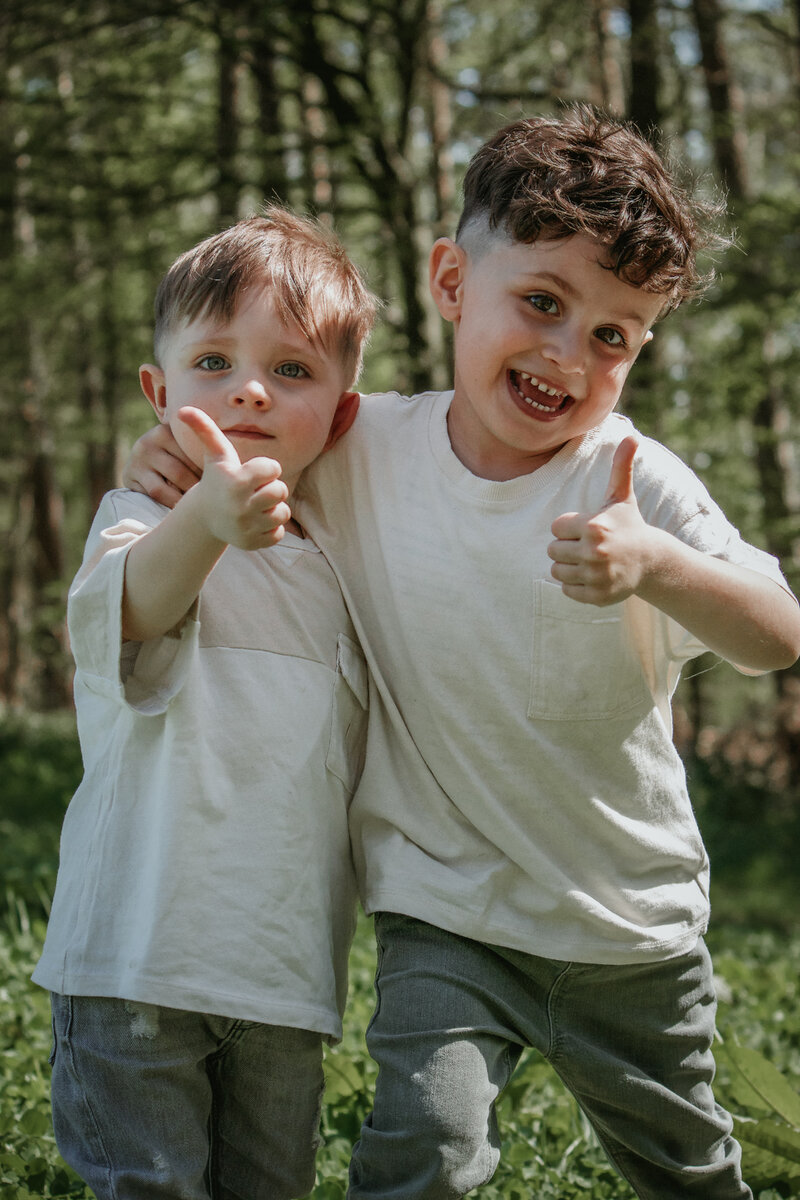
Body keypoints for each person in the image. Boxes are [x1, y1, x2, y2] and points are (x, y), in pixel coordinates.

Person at [123, 107, 800, 1199]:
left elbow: (777, 631)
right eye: (539, 301)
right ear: (450, 281)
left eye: (612, 335)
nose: (565, 355)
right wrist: (169, 452)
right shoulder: (365, 447)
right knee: (419, 1154)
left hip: (623, 923)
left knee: (686, 1170)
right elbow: (258, 431)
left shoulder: (632, 480)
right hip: (445, 913)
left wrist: (658, 568)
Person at [33, 206, 378, 1200]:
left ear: (341, 414)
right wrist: (203, 519)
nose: (250, 391)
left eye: (293, 370)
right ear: (159, 391)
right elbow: (128, 612)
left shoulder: (342, 559)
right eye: (213, 362)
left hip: (280, 977)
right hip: (135, 963)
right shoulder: (140, 519)